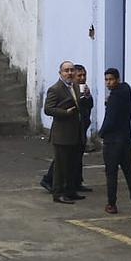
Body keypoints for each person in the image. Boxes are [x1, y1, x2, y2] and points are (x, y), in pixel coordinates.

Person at [40, 64, 93, 193]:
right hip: (64, 131)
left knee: (75, 159)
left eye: (83, 75)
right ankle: (54, 186)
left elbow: (86, 106)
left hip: (79, 129)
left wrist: (87, 96)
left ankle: (74, 185)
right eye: (67, 71)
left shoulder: (77, 88)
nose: (81, 78)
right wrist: (65, 112)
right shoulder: (57, 89)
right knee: (62, 161)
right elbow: (48, 109)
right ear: (61, 73)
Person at [99, 68, 131, 214]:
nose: (108, 82)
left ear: (117, 79)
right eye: (106, 80)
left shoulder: (114, 97)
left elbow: (110, 120)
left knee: (111, 173)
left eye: (111, 79)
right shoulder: (126, 91)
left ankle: (111, 204)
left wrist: (101, 132)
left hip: (112, 140)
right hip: (125, 138)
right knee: (129, 171)